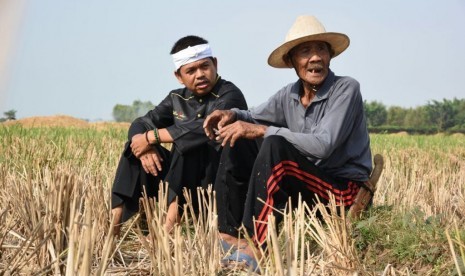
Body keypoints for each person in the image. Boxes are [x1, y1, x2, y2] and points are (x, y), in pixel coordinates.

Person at [203, 15, 373, 271]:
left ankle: (256, 245)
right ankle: (228, 234)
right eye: (306, 51)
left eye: (321, 50)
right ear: (292, 61)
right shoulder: (289, 94)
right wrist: (232, 115)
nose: (315, 58)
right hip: (307, 182)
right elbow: (253, 116)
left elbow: (323, 145)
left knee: (273, 144)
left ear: (330, 56)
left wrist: (262, 130)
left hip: (341, 189)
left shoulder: (346, 89)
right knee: (237, 137)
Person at [111, 35, 248, 236]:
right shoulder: (177, 97)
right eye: (191, 71)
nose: (200, 75)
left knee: (190, 144)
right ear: (179, 76)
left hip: (217, 184)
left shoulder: (230, 94)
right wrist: (143, 148)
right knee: (133, 149)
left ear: (215, 64)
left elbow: (204, 128)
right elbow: (141, 123)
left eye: (205, 66)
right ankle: (113, 226)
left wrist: (150, 138)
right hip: (180, 179)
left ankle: (167, 230)